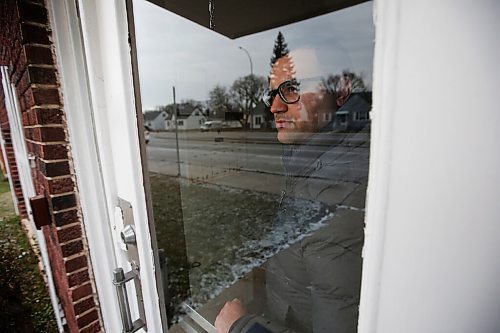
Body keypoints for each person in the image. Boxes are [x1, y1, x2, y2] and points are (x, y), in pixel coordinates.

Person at [215, 49, 366, 333]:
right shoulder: (312, 157)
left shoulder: (337, 187)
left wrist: (243, 328)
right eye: (272, 94)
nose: (274, 108)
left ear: (342, 89)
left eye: (292, 89)